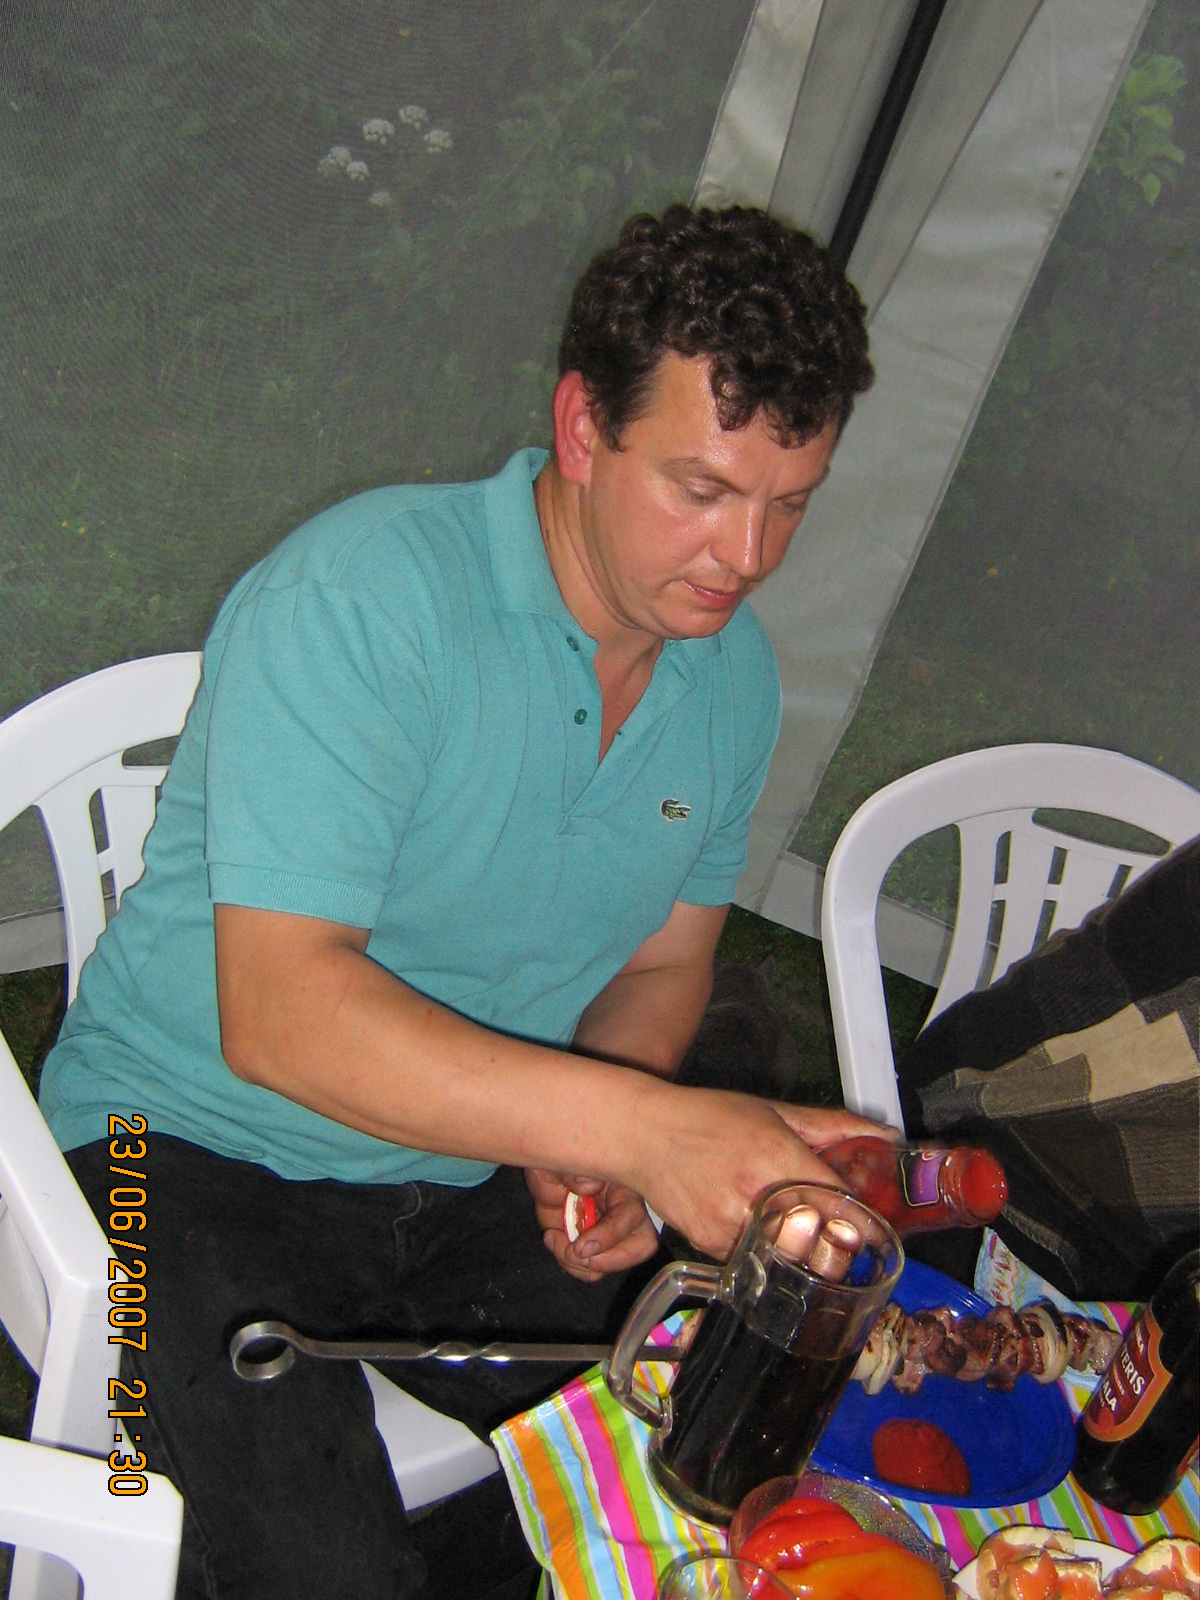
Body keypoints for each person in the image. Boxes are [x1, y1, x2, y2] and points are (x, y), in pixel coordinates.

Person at [40, 205, 879, 1599]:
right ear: (582, 428)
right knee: (323, 1571)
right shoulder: (364, 601)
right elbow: (282, 1017)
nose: (747, 555)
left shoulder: (728, 680)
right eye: (702, 489)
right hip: (161, 1153)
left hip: (473, 1160)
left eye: (790, 503)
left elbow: (667, 967)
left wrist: (604, 1139)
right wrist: (642, 1126)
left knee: (715, 1475)